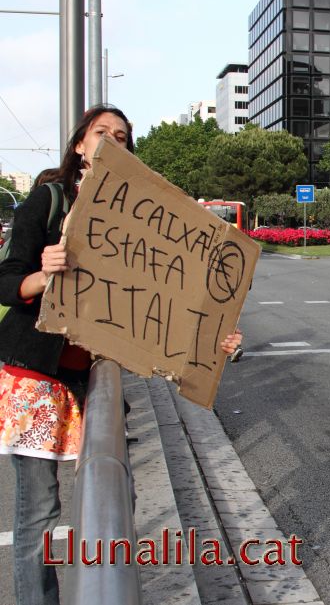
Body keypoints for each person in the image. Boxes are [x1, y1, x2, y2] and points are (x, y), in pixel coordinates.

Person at [0, 105, 243, 605]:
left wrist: (215, 341)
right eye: (102, 132)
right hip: (35, 378)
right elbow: (7, 281)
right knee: (39, 513)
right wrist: (45, 275)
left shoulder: (140, 221)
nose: (113, 140)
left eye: (123, 137)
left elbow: (165, 307)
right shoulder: (48, 200)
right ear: (79, 145)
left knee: (115, 496)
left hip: (90, 381)